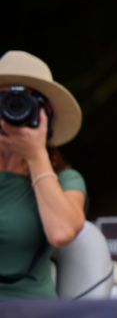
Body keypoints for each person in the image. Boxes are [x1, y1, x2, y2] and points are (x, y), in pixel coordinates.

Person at [0, 51, 86, 299]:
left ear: (45, 115)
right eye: (4, 100)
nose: (12, 109)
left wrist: (36, 155)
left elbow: (61, 232)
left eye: (25, 102)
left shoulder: (66, 180)